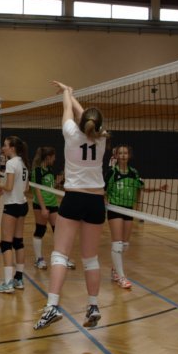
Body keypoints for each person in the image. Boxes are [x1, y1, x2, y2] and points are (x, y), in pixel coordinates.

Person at [34, 81, 108, 331]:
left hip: (74, 198)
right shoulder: (103, 138)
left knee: (60, 254)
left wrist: (67, 93)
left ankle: (52, 306)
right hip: (96, 202)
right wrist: (73, 95)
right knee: (90, 258)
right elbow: (85, 116)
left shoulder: (71, 134)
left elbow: (70, 111)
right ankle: (93, 305)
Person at [0, 136, 30, 293]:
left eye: (5, 145)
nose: (3, 148)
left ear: (12, 148)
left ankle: (8, 283)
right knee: (18, 242)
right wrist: (3, 191)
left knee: (6, 243)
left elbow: (9, 186)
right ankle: (18, 279)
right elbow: (25, 188)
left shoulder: (11, 163)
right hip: (22, 204)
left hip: (12, 206)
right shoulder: (23, 163)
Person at [105, 144, 146, 290]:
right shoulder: (112, 172)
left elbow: (141, 187)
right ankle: (121, 277)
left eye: (125, 153)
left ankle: (114, 269)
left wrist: (158, 189)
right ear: (116, 156)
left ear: (129, 156)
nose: (123, 155)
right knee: (117, 243)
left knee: (125, 245)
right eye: (120, 153)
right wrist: (106, 203)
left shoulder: (134, 172)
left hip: (129, 209)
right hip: (115, 208)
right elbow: (104, 190)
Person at [30, 147, 77, 271]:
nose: (55, 159)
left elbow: (51, 187)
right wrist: (43, 208)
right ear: (48, 157)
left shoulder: (49, 169)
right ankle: (38, 259)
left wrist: (59, 180)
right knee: (40, 230)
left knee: (58, 231)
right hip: (41, 205)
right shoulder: (37, 171)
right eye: (53, 156)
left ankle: (63, 258)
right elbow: (37, 190)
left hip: (53, 203)